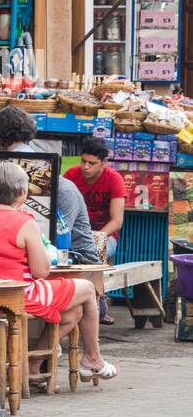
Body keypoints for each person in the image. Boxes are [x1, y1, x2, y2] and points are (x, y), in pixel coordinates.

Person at [0, 162, 116, 380]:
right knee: (88, 289)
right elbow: (42, 271)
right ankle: (92, 357)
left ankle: (33, 364)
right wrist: (44, 248)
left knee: (74, 313)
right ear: (23, 192)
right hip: (17, 295)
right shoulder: (24, 221)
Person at [0, 106, 99, 265]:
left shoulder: (64, 189)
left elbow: (57, 242)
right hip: (38, 255)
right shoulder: (27, 171)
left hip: (75, 259)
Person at [64, 136, 125, 324]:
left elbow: (117, 221)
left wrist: (97, 237)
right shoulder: (70, 175)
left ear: (104, 163)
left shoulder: (114, 179)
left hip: (105, 236)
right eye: (83, 161)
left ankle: (98, 305)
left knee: (95, 254)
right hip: (74, 236)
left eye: (92, 163)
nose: (85, 167)